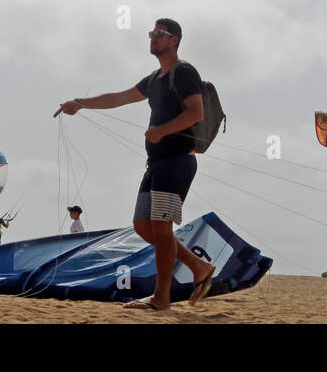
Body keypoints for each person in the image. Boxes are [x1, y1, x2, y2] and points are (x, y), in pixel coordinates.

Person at [54, 17, 215, 311]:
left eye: (159, 33)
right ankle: (198, 266)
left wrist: (161, 131)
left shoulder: (183, 72)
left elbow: (196, 112)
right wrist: (80, 102)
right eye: (151, 33)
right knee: (143, 226)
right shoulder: (154, 79)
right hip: (156, 163)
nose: (153, 37)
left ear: (174, 40)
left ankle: (161, 298)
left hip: (177, 161)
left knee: (161, 228)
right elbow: (119, 98)